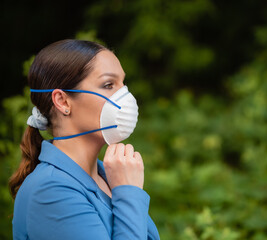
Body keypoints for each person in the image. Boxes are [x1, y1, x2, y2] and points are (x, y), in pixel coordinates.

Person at [9, 39, 160, 240]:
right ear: (62, 101)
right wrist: (129, 193)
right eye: (108, 85)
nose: (125, 96)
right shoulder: (51, 191)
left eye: (123, 84)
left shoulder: (108, 176)